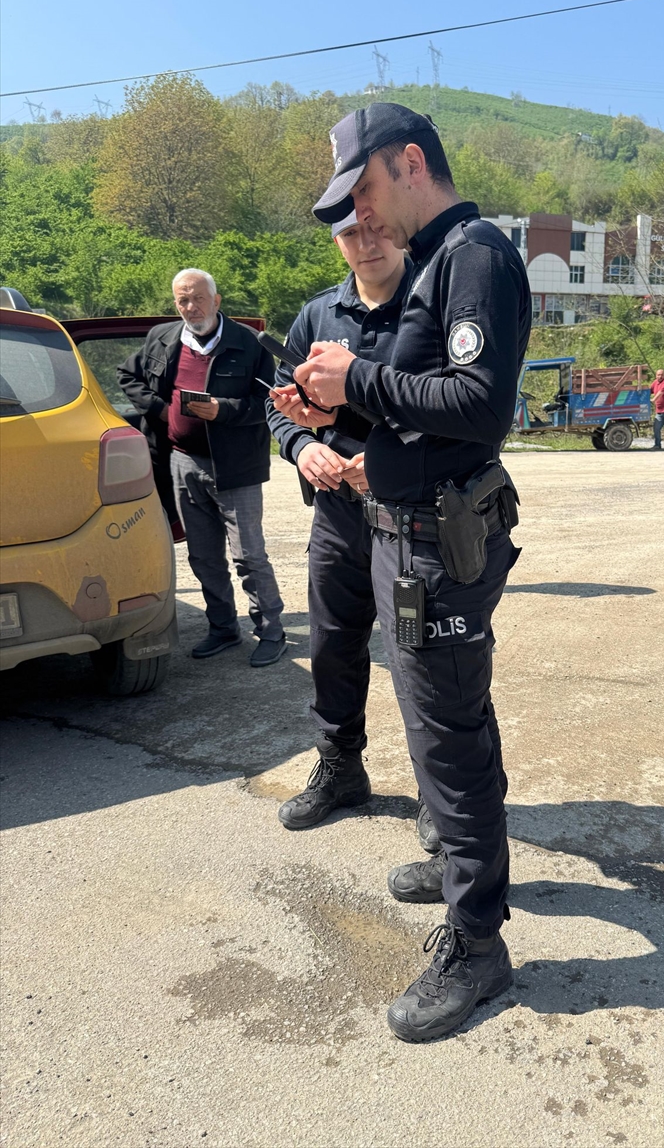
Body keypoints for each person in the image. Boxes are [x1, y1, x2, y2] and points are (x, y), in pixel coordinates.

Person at [298, 102, 531, 1042]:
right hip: (408, 532)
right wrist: (335, 414)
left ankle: (477, 944)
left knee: (446, 732)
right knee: (448, 716)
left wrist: (355, 378)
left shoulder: (473, 254)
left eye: (362, 189)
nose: (358, 217)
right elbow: (415, 411)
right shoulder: (435, 262)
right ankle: (462, 864)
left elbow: (479, 403)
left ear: (408, 162)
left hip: (441, 540)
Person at [265, 212, 438, 854]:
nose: (366, 244)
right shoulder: (318, 316)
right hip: (337, 513)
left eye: (375, 227)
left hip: (413, 516)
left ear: (397, 226)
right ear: (336, 243)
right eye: (349, 234)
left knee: (420, 654)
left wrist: (389, 461)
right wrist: (302, 446)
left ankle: (438, 791)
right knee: (333, 643)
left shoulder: (431, 307)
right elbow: (278, 405)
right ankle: (341, 768)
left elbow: (459, 407)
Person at [118, 269, 287, 667]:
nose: (191, 307)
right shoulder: (162, 337)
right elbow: (128, 375)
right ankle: (223, 628)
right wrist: (162, 411)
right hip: (181, 462)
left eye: (198, 298)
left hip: (235, 468)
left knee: (249, 556)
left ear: (216, 300)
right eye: (183, 300)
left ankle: (271, 632)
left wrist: (222, 410)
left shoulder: (249, 343)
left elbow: (271, 402)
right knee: (203, 556)